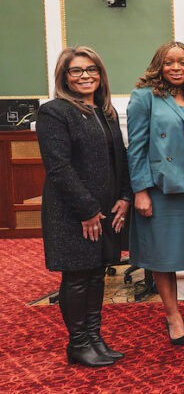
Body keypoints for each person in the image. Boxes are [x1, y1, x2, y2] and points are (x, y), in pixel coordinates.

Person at [38, 47, 131, 366]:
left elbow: (120, 157)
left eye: (91, 69)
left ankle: (94, 338)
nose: (85, 76)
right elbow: (59, 167)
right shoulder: (54, 112)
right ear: (64, 77)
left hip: (104, 209)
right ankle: (78, 343)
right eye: (76, 71)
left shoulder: (106, 111)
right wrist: (87, 210)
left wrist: (125, 196)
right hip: (72, 212)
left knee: (96, 275)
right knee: (77, 276)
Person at [127, 41, 184, 345]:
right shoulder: (145, 98)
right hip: (162, 187)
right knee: (163, 254)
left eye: (183, 62)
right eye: (169, 63)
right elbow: (136, 148)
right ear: (159, 66)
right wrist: (140, 190)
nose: (177, 68)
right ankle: (172, 315)